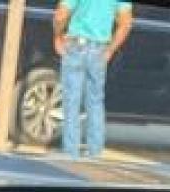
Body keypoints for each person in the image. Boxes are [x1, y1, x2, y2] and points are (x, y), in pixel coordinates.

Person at [53, 0, 133, 159]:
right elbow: (126, 24)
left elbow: (61, 15)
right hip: (100, 47)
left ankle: (71, 153)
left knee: (71, 100)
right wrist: (110, 50)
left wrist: (58, 36)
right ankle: (94, 153)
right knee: (95, 102)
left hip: (76, 43)